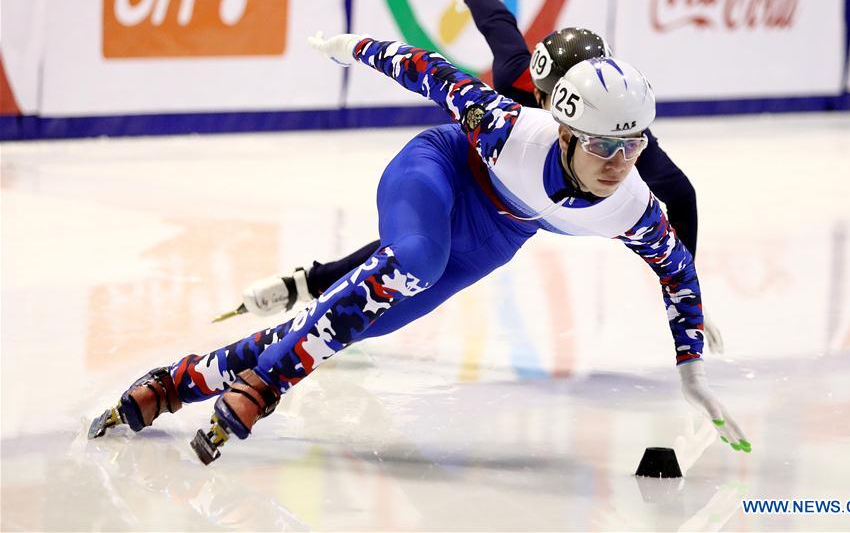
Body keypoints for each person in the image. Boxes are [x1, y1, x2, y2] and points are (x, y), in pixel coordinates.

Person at [88, 32, 750, 464]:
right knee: (415, 261)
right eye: (604, 145)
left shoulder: (632, 207)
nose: (619, 162)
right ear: (566, 132)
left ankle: (179, 380)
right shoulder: (507, 130)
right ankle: (267, 383)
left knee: (354, 322)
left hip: (493, 238)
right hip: (438, 172)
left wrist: (691, 372)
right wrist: (351, 47)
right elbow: (427, 71)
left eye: (633, 145)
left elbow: (678, 276)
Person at [229, 0, 719, 352]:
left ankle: (311, 288)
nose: (561, 119)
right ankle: (310, 284)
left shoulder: (609, 131)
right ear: (539, 91)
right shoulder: (515, 83)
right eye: (550, 102)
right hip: (468, 167)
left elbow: (680, 193)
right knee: (414, 248)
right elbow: (495, 25)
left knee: (423, 260)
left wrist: (687, 293)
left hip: (522, 215)